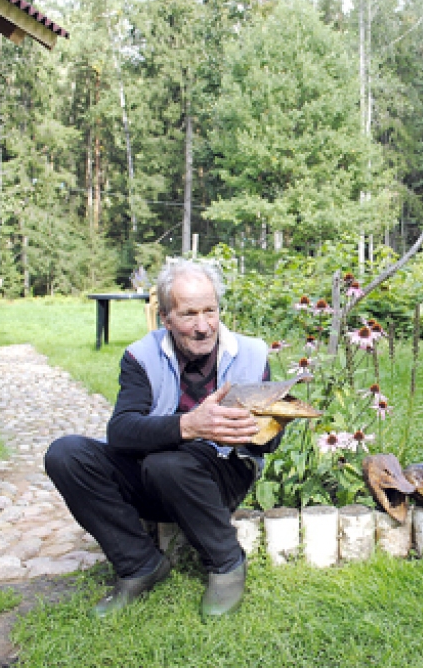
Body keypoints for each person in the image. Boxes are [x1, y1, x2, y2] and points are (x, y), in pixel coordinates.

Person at [45, 259, 274, 619]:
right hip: (153, 478)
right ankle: (139, 564)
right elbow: (120, 432)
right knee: (66, 454)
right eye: (188, 315)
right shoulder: (142, 356)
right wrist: (190, 425)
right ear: (165, 317)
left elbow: (265, 446)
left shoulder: (251, 353)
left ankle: (226, 561)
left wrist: (268, 426)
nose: (203, 327)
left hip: (218, 479)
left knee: (167, 462)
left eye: (210, 311)